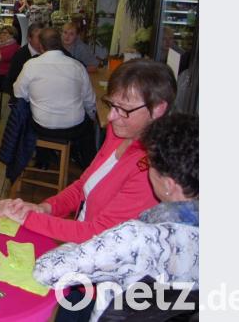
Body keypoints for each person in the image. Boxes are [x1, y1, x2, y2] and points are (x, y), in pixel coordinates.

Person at [33, 113, 198, 322]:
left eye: (151, 165)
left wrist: (73, 246)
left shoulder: (138, 238)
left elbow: (47, 272)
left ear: (168, 185)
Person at [0, 58, 177, 244]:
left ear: (158, 109)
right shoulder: (119, 134)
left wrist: (28, 218)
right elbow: (83, 187)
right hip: (81, 244)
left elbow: (99, 234)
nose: (110, 116)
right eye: (111, 105)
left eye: (123, 109)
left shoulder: (152, 170)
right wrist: (45, 208)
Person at [12, 27, 97, 168]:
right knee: (88, 127)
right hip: (73, 127)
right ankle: (89, 168)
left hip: (42, 126)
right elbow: (89, 101)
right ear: (60, 43)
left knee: (34, 116)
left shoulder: (31, 65)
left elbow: (18, 93)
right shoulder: (77, 66)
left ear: (40, 46)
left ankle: (44, 160)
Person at [5, 21, 43, 96]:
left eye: (44, 37)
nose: (42, 40)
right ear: (29, 38)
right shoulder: (20, 56)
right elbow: (11, 84)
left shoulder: (47, 51)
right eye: (39, 37)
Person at [0, 25, 20, 93]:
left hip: (3, 75)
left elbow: (0, 58)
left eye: (5, 33)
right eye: (1, 33)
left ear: (12, 35)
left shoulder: (14, 46)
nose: (2, 35)